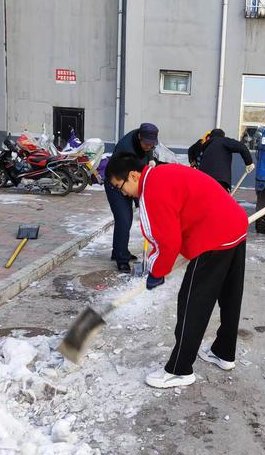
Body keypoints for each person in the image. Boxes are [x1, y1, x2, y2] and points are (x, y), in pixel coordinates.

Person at [105, 152, 249, 389]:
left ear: (133, 175)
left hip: (214, 237)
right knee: (229, 297)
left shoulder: (150, 190)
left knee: (192, 303)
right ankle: (224, 352)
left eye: (120, 187)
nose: (122, 193)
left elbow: (166, 242)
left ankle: (179, 370)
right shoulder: (162, 173)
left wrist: (156, 272)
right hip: (235, 225)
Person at [105, 123, 159, 273]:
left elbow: (145, 159)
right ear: (140, 137)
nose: (149, 147)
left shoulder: (144, 142)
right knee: (124, 219)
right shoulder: (126, 149)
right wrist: (140, 200)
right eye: (146, 144)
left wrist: (151, 160)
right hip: (116, 183)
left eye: (152, 144)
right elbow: (128, 175)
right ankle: (121, 260)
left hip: (131, 182)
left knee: (126, 219)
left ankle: (119, 252)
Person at [187, 128, 255, 192]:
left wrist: (193, 161)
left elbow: (191, 150)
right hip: (220, 181)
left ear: (210, 137)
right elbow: (242, 147)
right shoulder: (223, 141)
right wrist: (249, 163)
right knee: (219, 202)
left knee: (206, 202)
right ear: (222, 136)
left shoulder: (205, 145)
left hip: (204, 180)